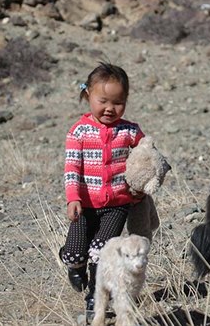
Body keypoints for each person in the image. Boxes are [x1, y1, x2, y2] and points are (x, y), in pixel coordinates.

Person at [58, 62, 147, 321]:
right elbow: (72, 168)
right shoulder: (79, 132)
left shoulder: (129, 131)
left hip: (118, 204)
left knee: (100, 249)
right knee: (76, 253)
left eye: (118, 102)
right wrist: (73, 198)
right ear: (88, 96)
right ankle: (75, 266)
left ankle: (95, 297)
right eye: (103, 101)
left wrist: (144, 180)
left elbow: (145, 153)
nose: (110, 108)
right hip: (85, 206)